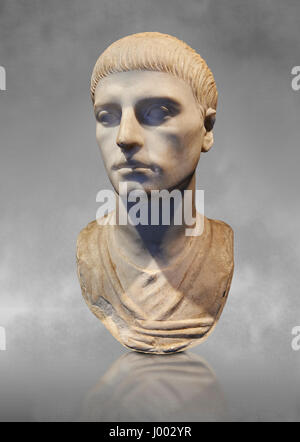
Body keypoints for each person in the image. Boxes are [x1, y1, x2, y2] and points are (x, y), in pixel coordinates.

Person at [77, 32, 234, 354]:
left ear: (207, 129)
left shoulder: (220, 249)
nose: (125, 137)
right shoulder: (89, 250)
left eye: (158, 112)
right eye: (107, 117)